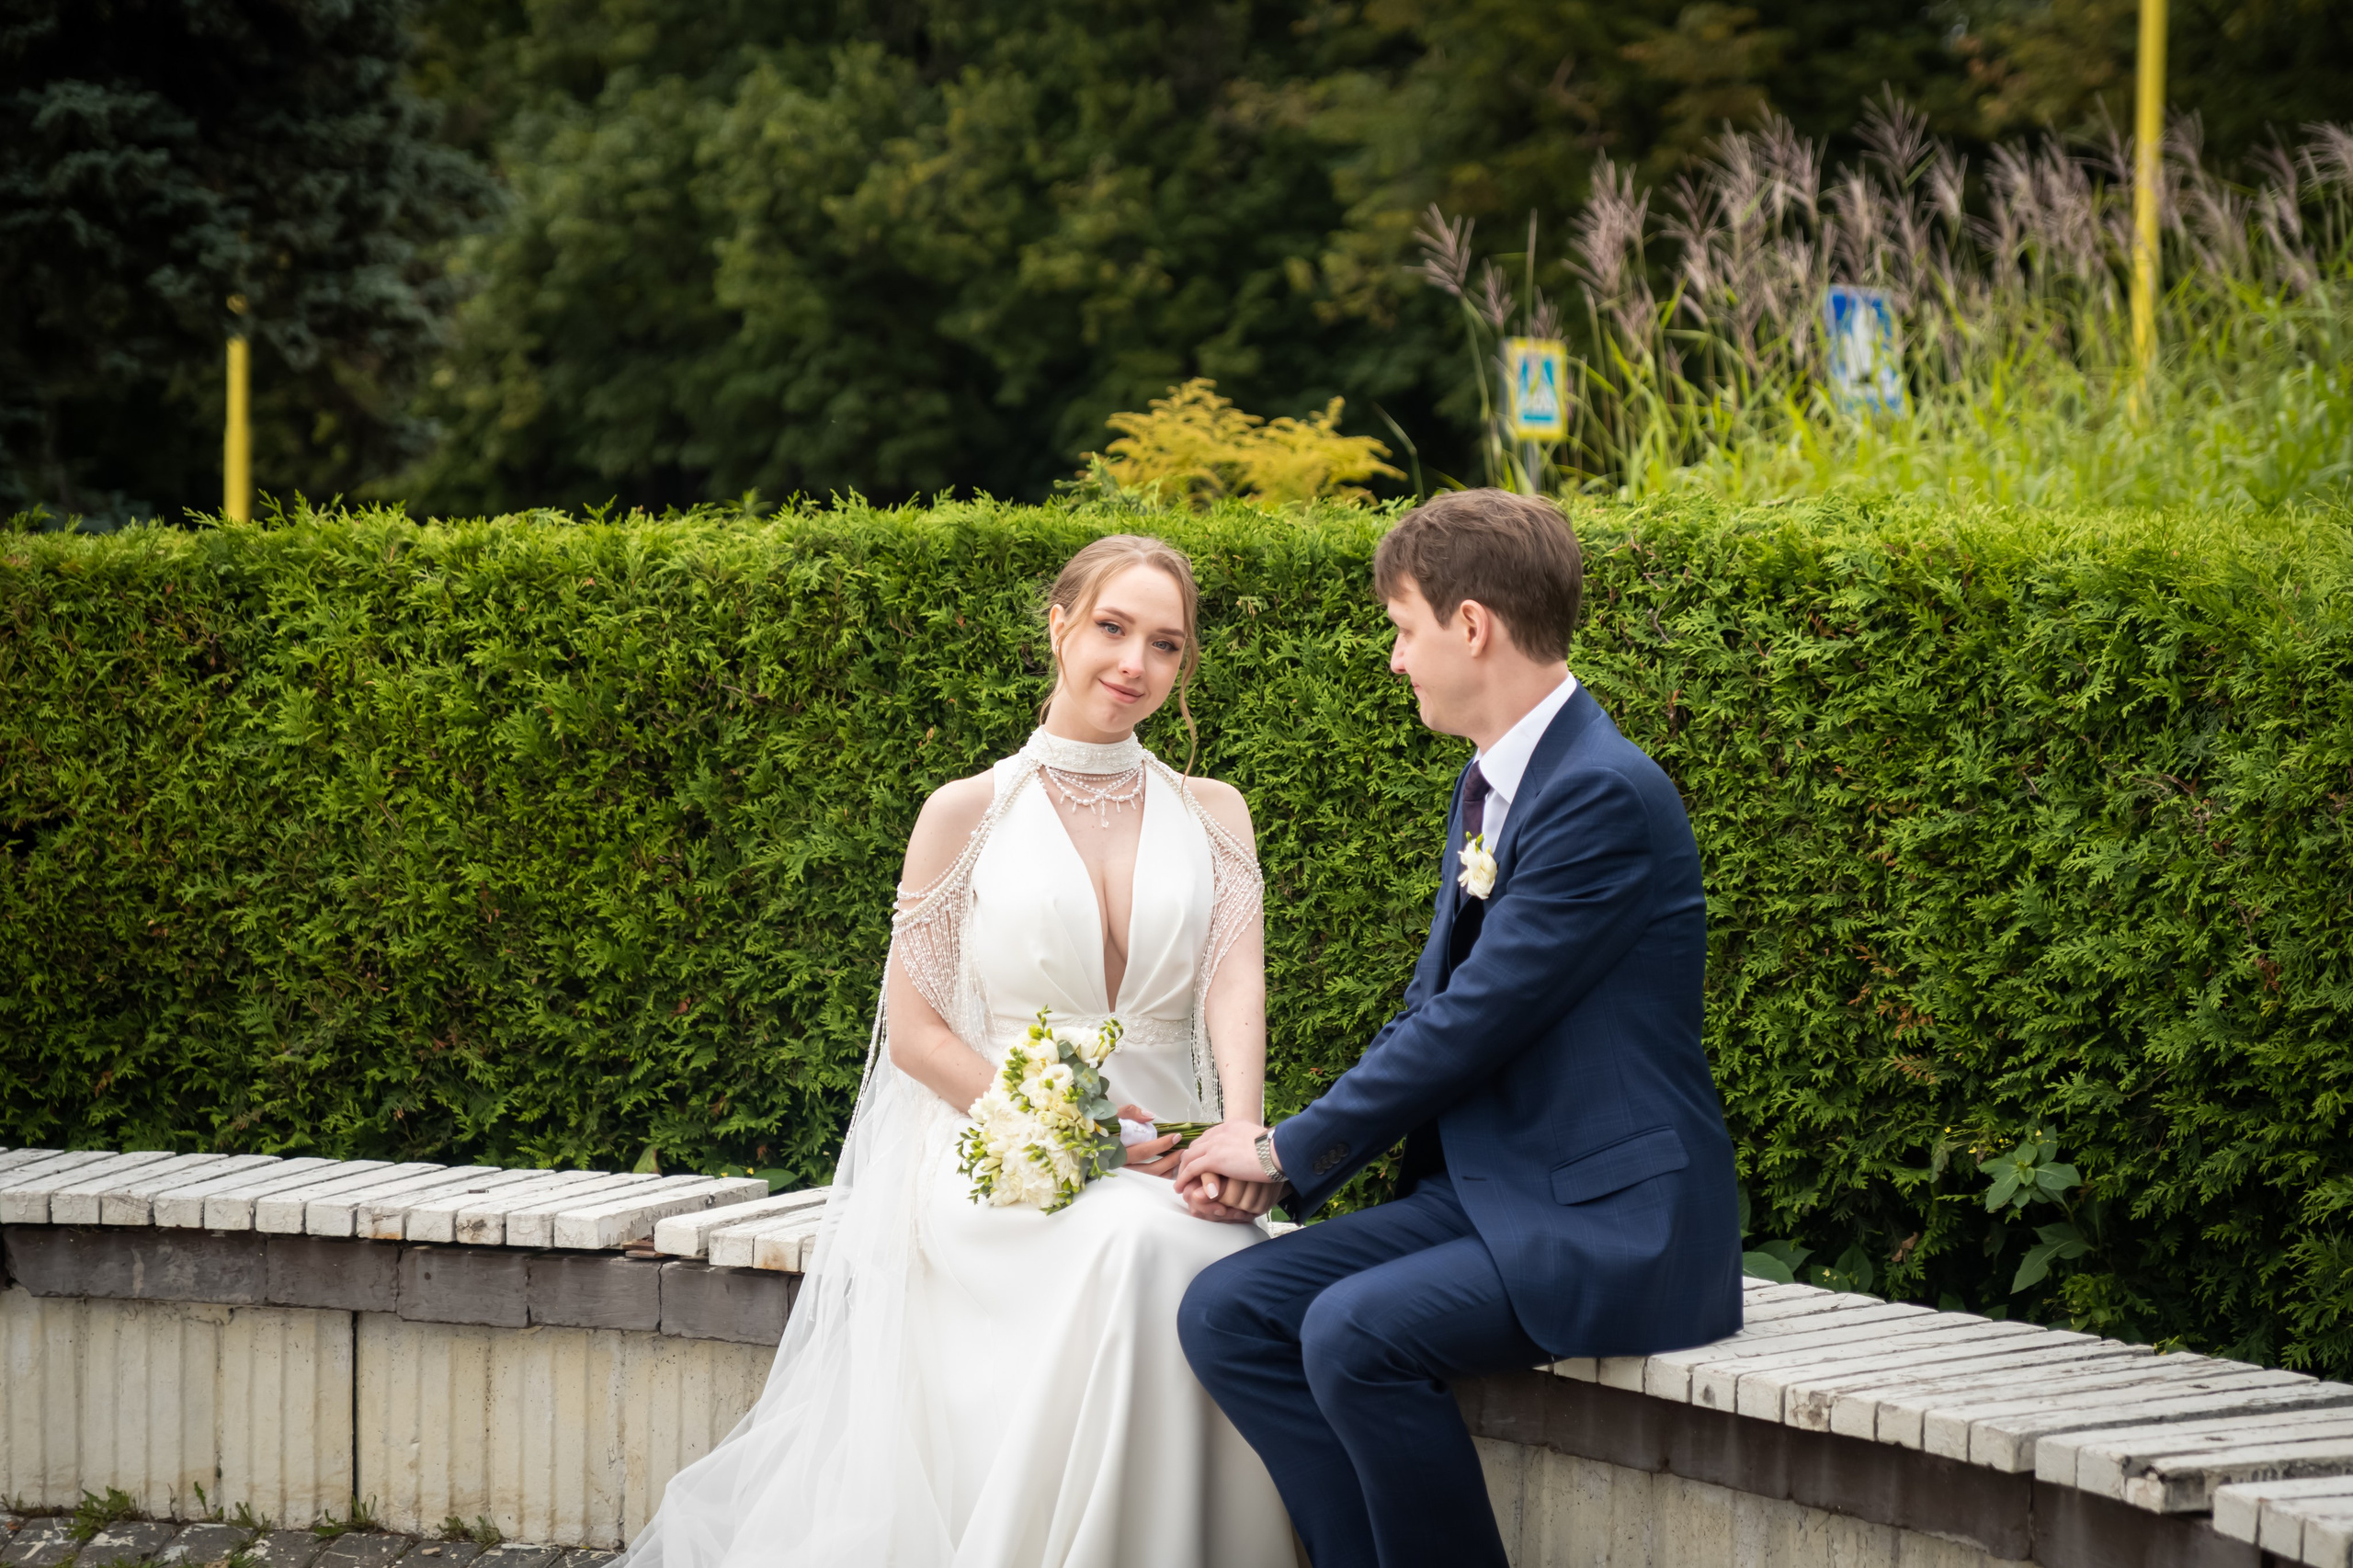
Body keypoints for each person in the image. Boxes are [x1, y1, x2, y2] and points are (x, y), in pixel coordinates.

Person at [617, 535, 1293, 1568]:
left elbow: (1233, 985)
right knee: (1135, 1246)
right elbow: (920, 1034)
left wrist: (1239, 1131)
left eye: (1165, 643)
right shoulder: (966, 813)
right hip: (1004, 1156)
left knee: (1208, 1249)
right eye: (1112, 627)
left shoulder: (1214, 812)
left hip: (1178, 1158)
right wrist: (1079, 1127)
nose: (1134, 662)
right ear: (1059, 624)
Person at [1174, 489, 1743, 1568]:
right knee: (1229, 1310)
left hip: (1614, 1218)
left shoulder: (1603, 793)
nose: (1396, 660)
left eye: (1403, 627)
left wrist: (1284, 1147)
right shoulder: (1489, 784)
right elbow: (1433, 1010)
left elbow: (1476, 1021)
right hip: (1492, 1196)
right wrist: (1287, 1157)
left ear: (1470, 623)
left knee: (1353, 1330)